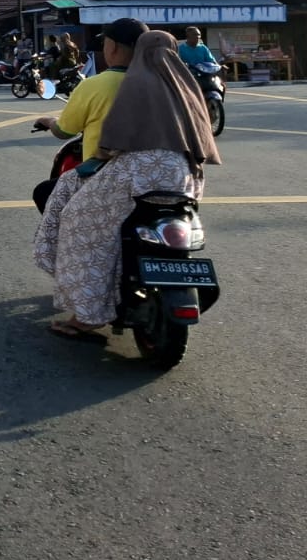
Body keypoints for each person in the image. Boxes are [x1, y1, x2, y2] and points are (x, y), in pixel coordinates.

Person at [33, 30, 222, 341]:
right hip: (183, 176)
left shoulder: (138, 82)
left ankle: (87, 313)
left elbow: (115, 136)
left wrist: (99, 159)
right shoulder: (184, 84)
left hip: (137, 174)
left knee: (78, 221)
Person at [32, 17, 147, 162]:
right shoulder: (164, 83)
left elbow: (63, 131)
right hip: (156, 172)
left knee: (44, 186)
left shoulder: (92, 85)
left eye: (104, 43)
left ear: (113, 47)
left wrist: (48, 121)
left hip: (102, 174)